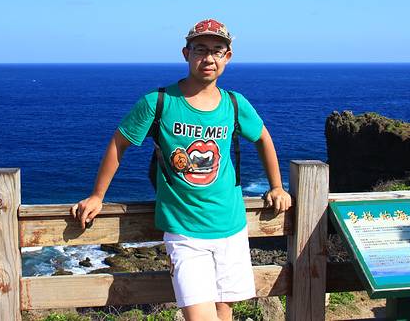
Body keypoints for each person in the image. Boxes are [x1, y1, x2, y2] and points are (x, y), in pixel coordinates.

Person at [71, 18, 292, 321]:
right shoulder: (159, 102)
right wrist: (98, 195)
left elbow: (263, 138)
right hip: (185, 232)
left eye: (217, 50)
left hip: (231, 227)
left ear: (227, 57)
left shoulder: (234, 104)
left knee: (223, 314)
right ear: (186, 53)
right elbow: (119, 143)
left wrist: (277, 187)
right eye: (200, 49)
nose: (209, 58)